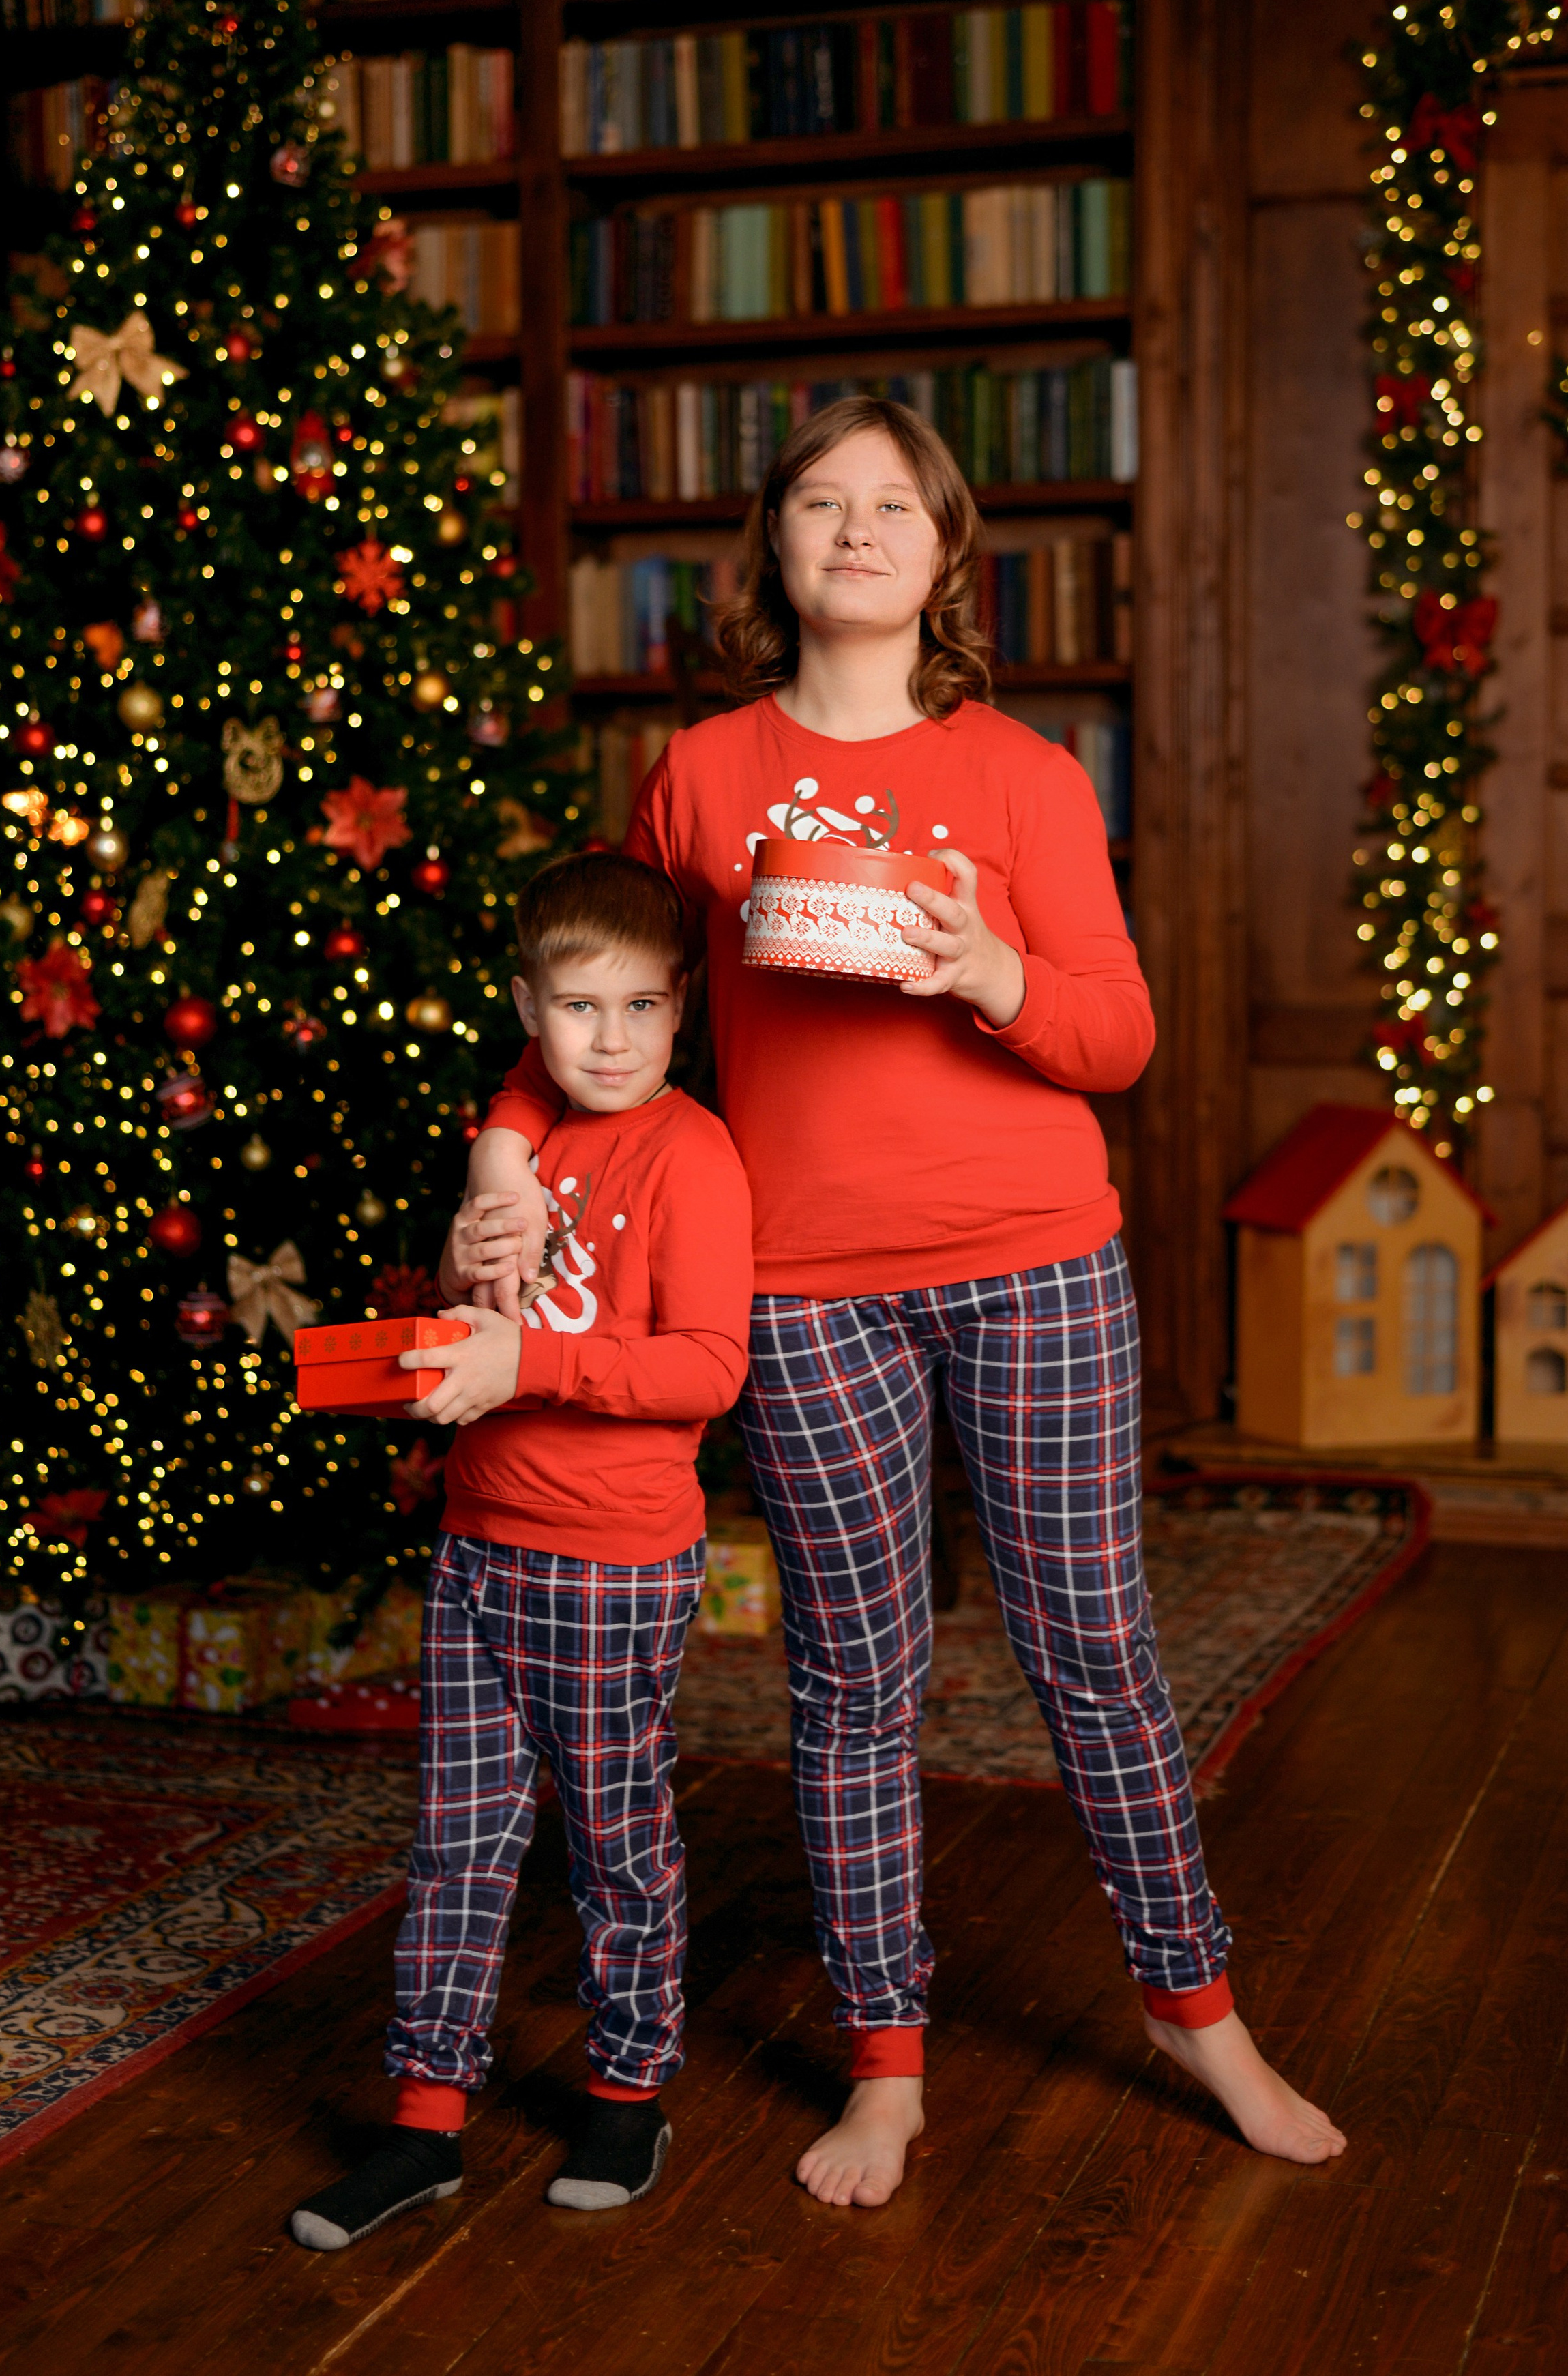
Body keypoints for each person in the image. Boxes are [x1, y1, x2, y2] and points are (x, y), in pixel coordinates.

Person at [454, 396, 1346, 2211]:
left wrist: (992, 964)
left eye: (892, 504)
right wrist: (500, 1150)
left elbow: (1119, 1031)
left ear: (946, 553)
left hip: (1037, 1265)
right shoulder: (698, 777)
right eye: (817, 499)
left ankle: (1199, 2010)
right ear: (774, 541)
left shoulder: (1020, 775)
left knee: (1092, 1655)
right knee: (853, 1679)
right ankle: (886, 2058)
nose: (854, 529)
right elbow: (598, 1015)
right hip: (801, 1295)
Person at [290, 852, 752, 2250]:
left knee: (617, 1841)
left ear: (681, 1014)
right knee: (456, 1844)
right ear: (524, 1010)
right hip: (481, 1542)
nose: (608, 1040)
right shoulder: (527, 1131)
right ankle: (424, 2118)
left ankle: (628, 2088)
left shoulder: (694, 1155)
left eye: (641, 1008)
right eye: (575, 1009)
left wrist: (526, 1360)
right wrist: (449, 1274)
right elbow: (484, 1307)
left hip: (614, 1558)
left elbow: (706, 1366)